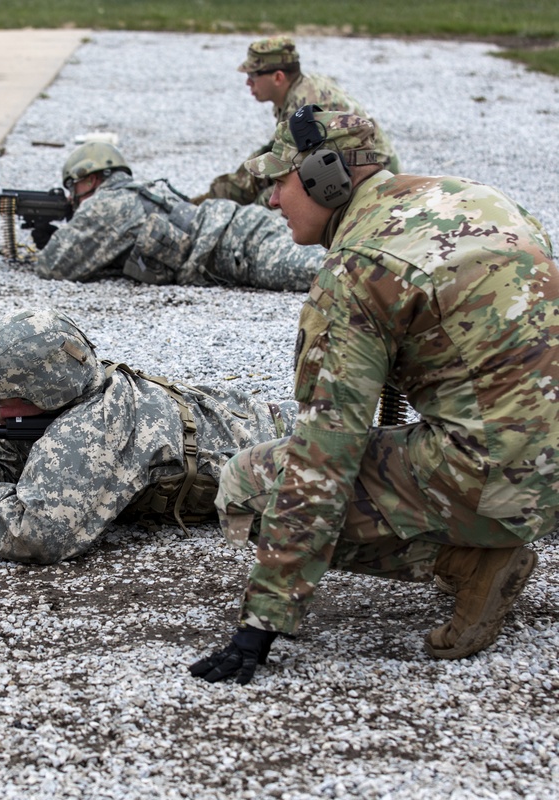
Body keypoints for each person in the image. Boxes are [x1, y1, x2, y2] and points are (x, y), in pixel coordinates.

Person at [190, 105, 559, 686]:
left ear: (325, 175)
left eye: (280, 180)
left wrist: (262, 623)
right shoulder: (476, 198)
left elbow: (323, 457)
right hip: (546, 468)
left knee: (247, 487)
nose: (271, 201)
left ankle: (470, 561)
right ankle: (485, 538)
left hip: (506, 483)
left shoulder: (359, 269)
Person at [0, 308, 300, 563]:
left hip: (296, 466)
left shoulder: (90, 429)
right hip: (271, 423)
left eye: (2, 397)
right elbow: (14, 458)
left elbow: (36, 535)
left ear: (42, 390)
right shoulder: (76, 387)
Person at [31, 142, 322, 292]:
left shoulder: (107, 204)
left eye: (74, 186)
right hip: (242, 228)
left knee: (336, 274)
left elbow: (53, 267)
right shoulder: (136, 192)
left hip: (240, 247)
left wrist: (50, 239)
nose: (72, 197)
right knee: (341, 258)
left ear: (91, 179)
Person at [193, 35, 400, 207]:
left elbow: (297, 174)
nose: (248, 82)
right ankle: (210, 202)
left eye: (254, 75)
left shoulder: (302, 107)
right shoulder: (298, 90)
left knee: (267, 206)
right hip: (349, 167)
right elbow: (274, 154)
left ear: (278, 77)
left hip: (370, 181)